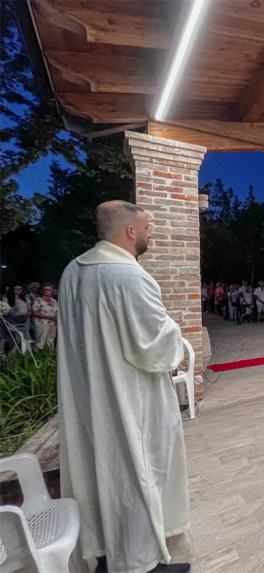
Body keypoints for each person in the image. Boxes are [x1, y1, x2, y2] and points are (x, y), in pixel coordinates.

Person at [57, 200, 191, 573]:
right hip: (132, 398)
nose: (151, 234)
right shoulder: (129, 276)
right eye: (147, 227)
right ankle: (138, 559)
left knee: (102, 469)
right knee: (137, 470)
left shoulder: (72, 271)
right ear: (130, 231)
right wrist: (175, 333)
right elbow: (157, 348)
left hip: (89, 394)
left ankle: (104, 548)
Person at [31, 283, 59, 349]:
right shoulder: (38, 300)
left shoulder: (54, 301)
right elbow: (35, 312)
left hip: (52, 324)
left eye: (49, 289)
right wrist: (49, 317)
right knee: (40, 341)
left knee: (50, 340)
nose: (47, 291)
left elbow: (57, 312)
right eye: (45, 289)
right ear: (42, 290)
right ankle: (38, 356)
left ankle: (49, 356)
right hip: (41, 323)